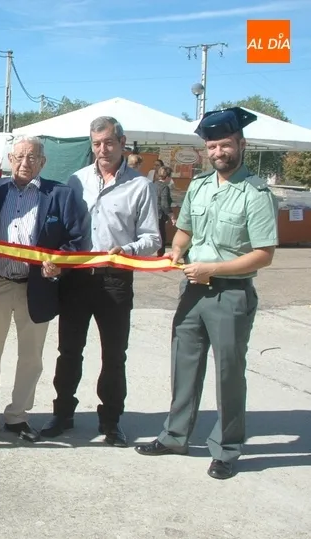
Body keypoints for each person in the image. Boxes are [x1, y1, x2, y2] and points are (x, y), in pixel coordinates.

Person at [135, 107, 278, 480]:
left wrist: (211, 269)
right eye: (212, 146)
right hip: (192, 291)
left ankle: (227, 448)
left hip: (230, 294)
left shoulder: (256, 193)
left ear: (241, 144)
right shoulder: (199, 186)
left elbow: (263, 255)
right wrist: (176, 250)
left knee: (229, 374)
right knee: (183, 366)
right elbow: (185, 230)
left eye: (225, 145)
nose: (218, 152)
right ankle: (175, 436)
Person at [40, 116, 160, 447]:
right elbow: (64, 227)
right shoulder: (76, 180)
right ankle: (62, 414)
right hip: (77, 280)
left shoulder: (140, 186)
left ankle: (111, 422)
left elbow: (152, 238)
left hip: (114, 280)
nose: (102, 149)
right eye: (96, 144)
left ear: (122, 142)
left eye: (108, 142)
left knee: (114, 354)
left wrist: (128, 249)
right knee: (68, 351)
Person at [0, 136, 84, 443]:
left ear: (43, 162)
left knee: (31, 357)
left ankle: (18, 416)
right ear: (9, 159)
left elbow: (75, 239)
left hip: (36, 286)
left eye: (32, 157)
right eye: (19, 157)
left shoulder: (59, 194)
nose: (24, 163)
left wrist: (59, 262)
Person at [154, 165, 176, 257]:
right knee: (162, 236)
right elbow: (165, 204)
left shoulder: (153, 184)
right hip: (160, 215)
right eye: (170, 177)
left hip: (152, 214)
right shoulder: (164, 187)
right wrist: (172, 216)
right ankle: (160, 256)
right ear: (167, 177)